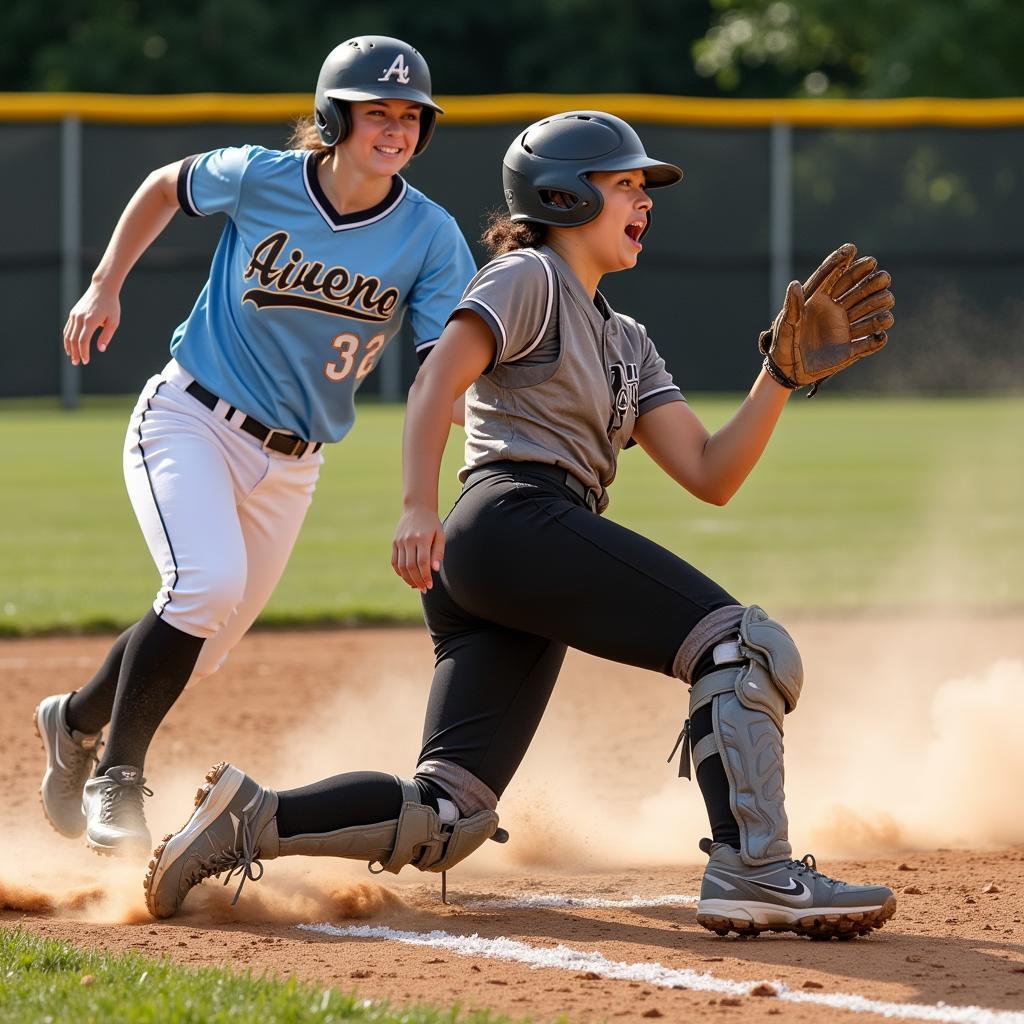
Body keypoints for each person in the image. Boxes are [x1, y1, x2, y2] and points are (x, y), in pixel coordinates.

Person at [143, 110, 897, 940]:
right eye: (624, 186)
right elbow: (438, 382)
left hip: (523, 554)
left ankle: (248, 819)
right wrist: (416, 506)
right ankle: (754, 871)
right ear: (564, 195)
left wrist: (779, 376)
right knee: (740, 645)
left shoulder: (627, 341)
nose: (643, 202)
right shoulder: (526, 276)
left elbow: (712, 473)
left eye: (644, 189)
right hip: (509, 518)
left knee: (449, 816)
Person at [34, 35, 476, 856]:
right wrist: (104, 283)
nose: (397, 128)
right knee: (202, 586)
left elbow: (444, 355)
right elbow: (164, 186)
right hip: (191, 417)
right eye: (376, 111)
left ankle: (76, 721)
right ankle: (116, 781)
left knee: (200, 647)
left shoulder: (428, 234)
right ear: (332, 116)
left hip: (295, 461)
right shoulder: (263, 176)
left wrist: (468, 410)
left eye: (412, 115)